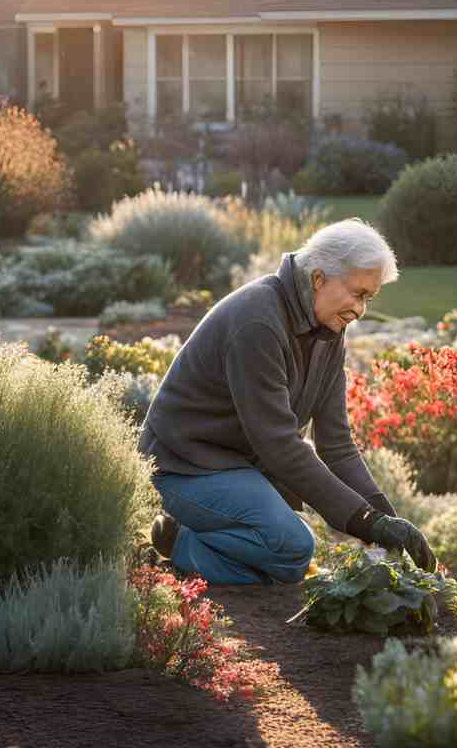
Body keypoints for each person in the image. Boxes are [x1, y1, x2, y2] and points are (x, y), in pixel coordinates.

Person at [139, 218, 437, 584]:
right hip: (185, 465)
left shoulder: (329, 331)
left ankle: (209, 543)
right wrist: (366, 522)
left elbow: (338, 444)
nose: (361, 310)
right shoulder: (258, 322)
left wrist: (385, 519)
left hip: (238, 464)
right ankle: (178, 542)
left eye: (369, 299)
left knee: (285, 559)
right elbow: (279, 444)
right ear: (318, 278)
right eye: (358, 294)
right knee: (291, 548)